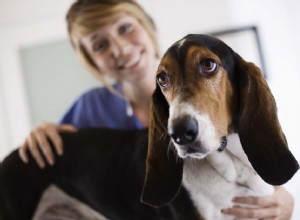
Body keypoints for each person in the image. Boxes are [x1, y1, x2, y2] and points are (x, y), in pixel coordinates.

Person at [19, 0, 294, 219]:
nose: (120, 48)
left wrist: (283, 200)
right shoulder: (88, 108)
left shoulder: (230, 88)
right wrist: (41, 132)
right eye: (100, 45)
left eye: (125, 28)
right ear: (92, 61)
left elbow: (261, 152)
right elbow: (70, 158)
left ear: (147, 24)